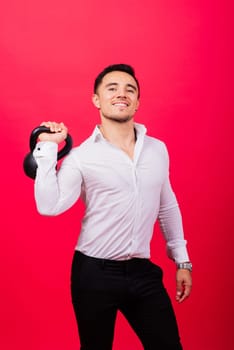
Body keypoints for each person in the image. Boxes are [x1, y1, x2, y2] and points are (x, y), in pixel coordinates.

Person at [33, 64, 192, 350]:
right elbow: (49, 206)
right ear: (97, 100)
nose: (122, 94)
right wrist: (47, 148)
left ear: (138, 102)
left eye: (130, 89)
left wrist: (182, 260)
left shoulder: (158, 150)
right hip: (94, 272)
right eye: (112, 88)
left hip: (143, 272)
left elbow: (166, 205)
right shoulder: (81, 157)